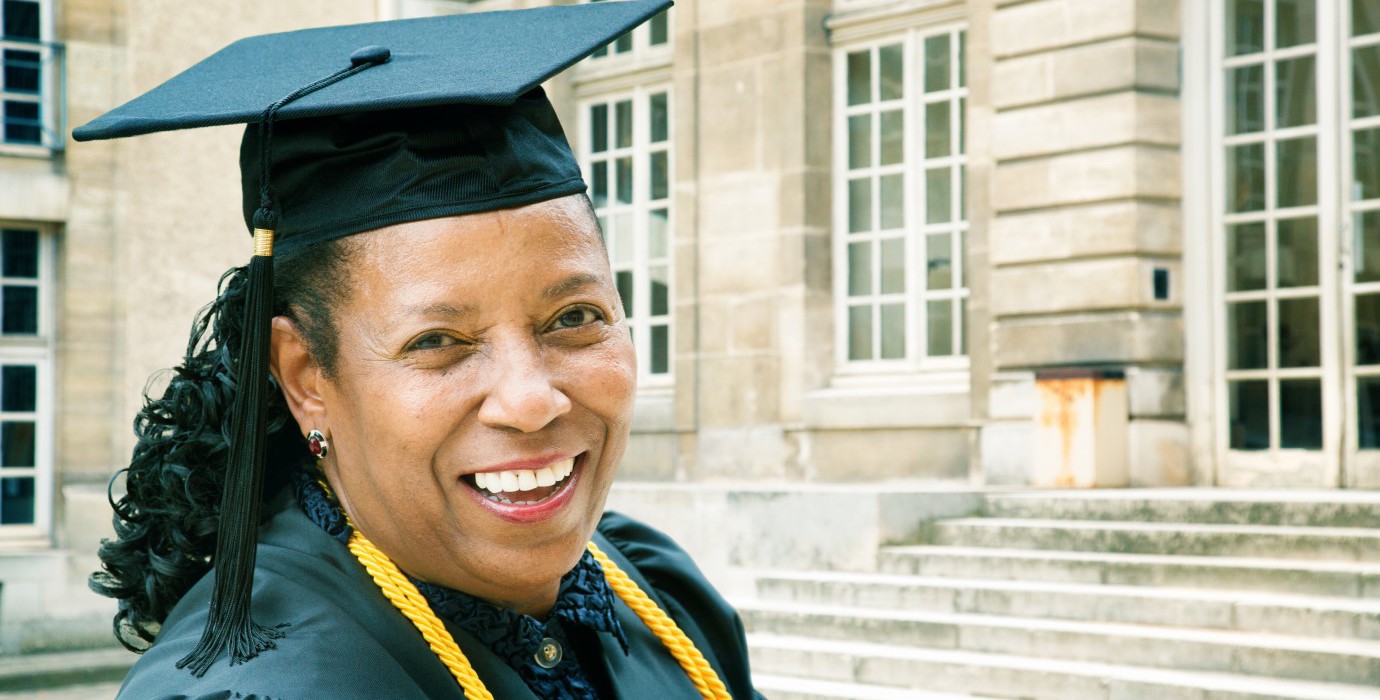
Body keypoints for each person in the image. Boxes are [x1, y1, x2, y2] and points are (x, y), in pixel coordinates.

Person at [75, 1, 762, 697]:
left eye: (574, 316)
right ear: (307, 377)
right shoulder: (265, 684)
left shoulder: (651, 589)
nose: (530, 400)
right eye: (438, 341)